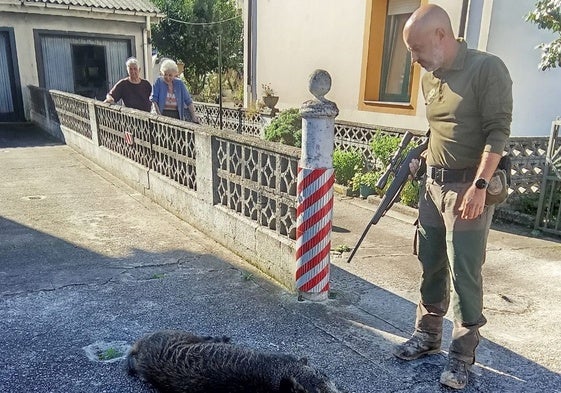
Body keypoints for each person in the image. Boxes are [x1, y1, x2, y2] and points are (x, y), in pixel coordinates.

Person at [393, 4, 512, 390]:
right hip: (431, 185)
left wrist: (480, 186)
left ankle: (462, 356)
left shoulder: (486, 69)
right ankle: (428, 336)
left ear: (442, 36)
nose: (414, 59)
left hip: (468, 190)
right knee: (430, 262)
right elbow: (441, 132)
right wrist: (422, 159)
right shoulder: (431, 78)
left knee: (465, 273)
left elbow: (498, 132)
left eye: (417, 49)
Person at [150, 59, 199, 123]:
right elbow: (154, 100)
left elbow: (188, 101)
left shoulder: (179, 83)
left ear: (175, 75)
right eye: (165, 74)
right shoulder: (159, 82)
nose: (167, 77)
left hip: (176, 115)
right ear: (162, 73)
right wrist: (159, 116)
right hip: (162, 113)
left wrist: (194, 117)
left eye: (170, 75)